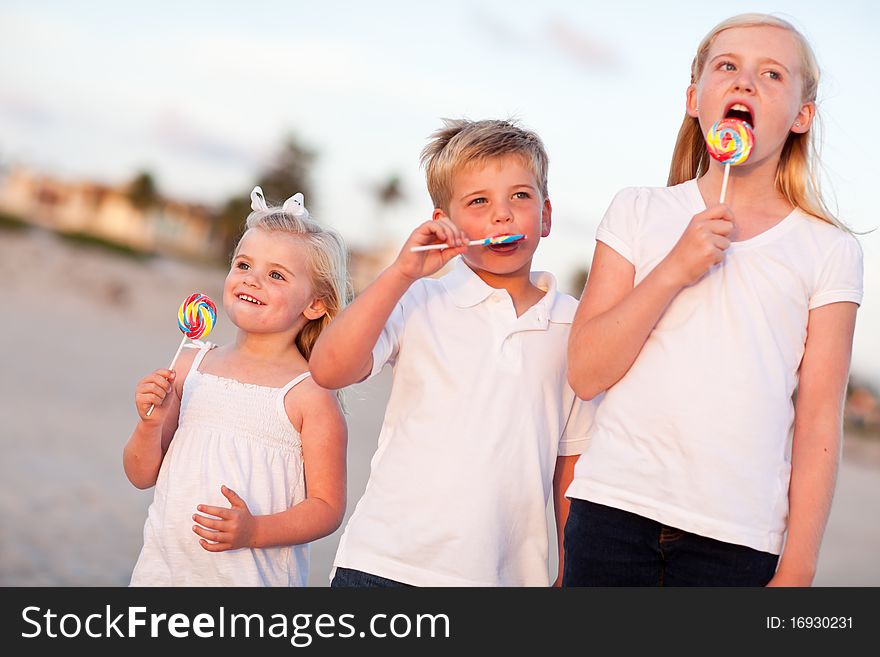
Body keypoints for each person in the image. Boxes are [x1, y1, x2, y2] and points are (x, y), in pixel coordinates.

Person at [564, 13, 863, 586]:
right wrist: (674, 268)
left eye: (772, 74)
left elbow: (819, 421)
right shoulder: (638, 211)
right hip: (612, 511)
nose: (746, 82)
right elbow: (585, 371)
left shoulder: (828, 250)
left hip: (739, 540)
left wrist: (798, 566)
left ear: (802, 116)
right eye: (727, 67)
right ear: (694, 99)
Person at [310, 118, 593, 587]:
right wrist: (402, 272)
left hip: (501, 579)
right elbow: (328, 368)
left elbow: (572, 462)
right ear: (445, 223)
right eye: (479, 201)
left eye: (519, 197)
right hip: (382, 564)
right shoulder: (420, 299)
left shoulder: (573, 326)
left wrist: (569, 570)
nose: (502, 215)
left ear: (545, 215)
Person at [124, 187, 349, 586]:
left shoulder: (309, 395)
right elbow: (141, 475)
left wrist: (254, 531)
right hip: (163, 575)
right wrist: (148, 424)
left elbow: (328, 507)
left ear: (315, 304)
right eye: (243, 265)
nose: (252, 280)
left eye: (276, 275)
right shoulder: (192, 364)